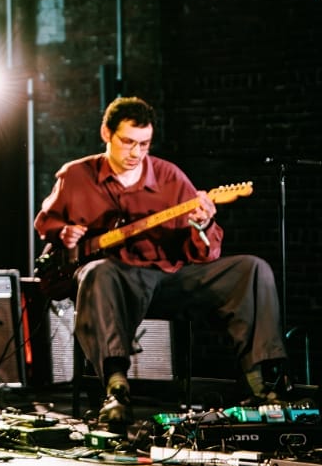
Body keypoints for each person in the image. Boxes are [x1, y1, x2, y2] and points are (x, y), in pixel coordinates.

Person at [34, 96, 291, 433]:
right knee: (98, 271)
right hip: (115, 280)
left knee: (252, 269)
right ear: (106, 134)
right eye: (127, 142)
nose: (136, 153)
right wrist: (64, 233)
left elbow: (205, 254)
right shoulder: (76, 175)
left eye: (144, 144)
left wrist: (201, 224)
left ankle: (262, 386)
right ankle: (116, 390)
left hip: (170, 279)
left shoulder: (170, 178)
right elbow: (45, 223)